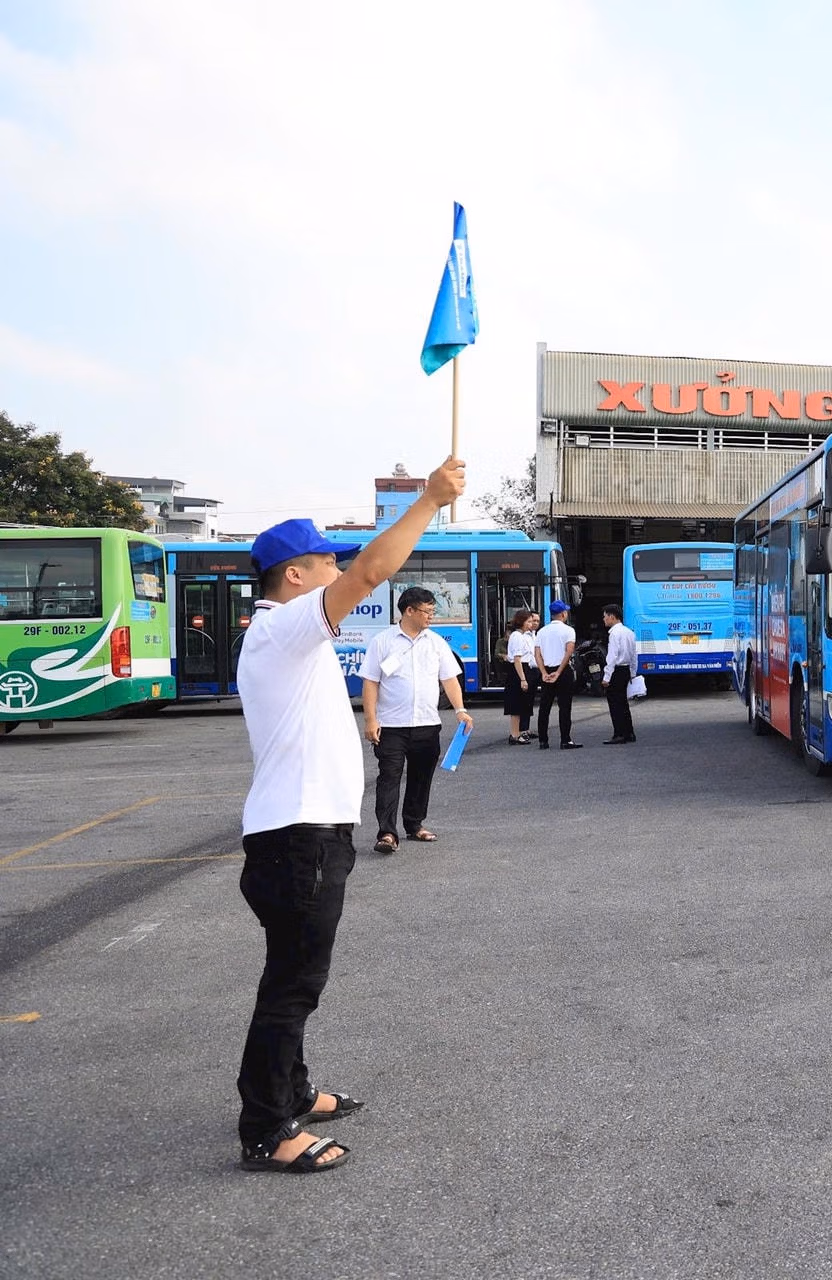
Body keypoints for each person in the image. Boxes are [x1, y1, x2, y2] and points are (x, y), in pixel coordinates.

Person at [232, 455, 465, 1174]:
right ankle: (267, 1128)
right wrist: (428, 500)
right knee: (293, 986)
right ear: (294, 575)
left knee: (294, 976)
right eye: (325, 563)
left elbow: (358, 573)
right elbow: (371, 572)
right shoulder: (281, 627)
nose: (338, 572)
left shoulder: (283, 634)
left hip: (305, 835)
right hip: (297, 838)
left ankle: (293, 1091)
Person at [360, 587, 472, 853]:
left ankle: (414, 824)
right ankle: (387, 833)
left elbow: (449, 679)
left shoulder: (436, 642)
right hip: (391, 726)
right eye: (427, 611)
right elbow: (371, 682)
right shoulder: (383, 641)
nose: (431, 616)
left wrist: (460, 709)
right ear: (409, 611)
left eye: (433, 611)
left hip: (426, 724)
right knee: (389, 777)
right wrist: (370, 720)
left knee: (421, 777)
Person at [535, 600, 580, 749]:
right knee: (565, 706)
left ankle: (543, 740)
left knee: (544, 707)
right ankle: (565, 739)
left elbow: (537, 654)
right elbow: (569, 652)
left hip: (547, 670)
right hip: (563, 671)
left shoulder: (541, 631)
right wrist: (559, 671)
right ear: (563, 614)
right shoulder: (569, 630)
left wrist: (543, 672)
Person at [601, 604, 637, 744]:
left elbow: (612, 656)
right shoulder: (629, 632)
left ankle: (619, 734)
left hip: (616, 671)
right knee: (623, 703)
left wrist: (606, 677)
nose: (604, 619)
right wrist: (632, 672)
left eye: (605, 616)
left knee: (615, 704)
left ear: (612, 616)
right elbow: (634, 655)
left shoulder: (614, 634)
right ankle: (629, 733)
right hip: (626, 670)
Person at [502, 609, 539, 744]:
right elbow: (517, 659)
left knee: (521, 704)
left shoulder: (522, 635)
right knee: (516, 705)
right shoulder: (517, 636)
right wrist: (523, 679)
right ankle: (515, 735)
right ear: (521, 622)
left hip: (524, 668)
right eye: (528, 621)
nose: (531, 624)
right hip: (519, 670)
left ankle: (519, 733)